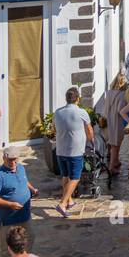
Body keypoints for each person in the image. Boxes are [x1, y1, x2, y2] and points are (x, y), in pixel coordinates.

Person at [0, 146, 39, 257]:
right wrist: (10, 205)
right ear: (4, 158)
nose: (13, 163)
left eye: (15, 159)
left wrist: (32, 189)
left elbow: (24, 181)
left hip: (24, 216)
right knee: (6, 248)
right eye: (10, 160)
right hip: (8, 220)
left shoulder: (20, 168)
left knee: (30, 237)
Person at [53, 87, 93, 218]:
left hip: (60, 149)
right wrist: (91, 141)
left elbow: (54, 129)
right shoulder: (81, 112)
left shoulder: (57, 113)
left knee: (65, 176)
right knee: (75, 178)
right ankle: (63, 203)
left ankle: (69, 200)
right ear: (78, 98)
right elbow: (89, 130)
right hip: (75, 150)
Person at [96, 73, 128, 178]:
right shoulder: (123, 95)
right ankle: (111, 168)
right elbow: (120, 110)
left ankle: (115, 162)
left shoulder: (109, 93)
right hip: (117, 122)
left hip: (107, 122)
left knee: (111, 144)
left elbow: (104, 109)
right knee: (116, 145)